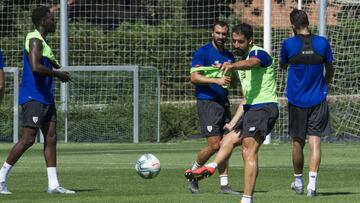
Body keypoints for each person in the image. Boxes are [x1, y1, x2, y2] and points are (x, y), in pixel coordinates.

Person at [185, 23, 279, 203]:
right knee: (226, 140)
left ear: (250, 41)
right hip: (250, 109)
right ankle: (211, 167)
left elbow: (252, 63)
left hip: (264, 108)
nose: (235, 45)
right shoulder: (236, 63)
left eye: (240, 42)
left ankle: (246, 199)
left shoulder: (258, 53)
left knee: (248, 150)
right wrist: (233, 122)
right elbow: (246, 99)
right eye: (234, 41)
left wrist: (232, 66)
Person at [0, 6, 74, 194]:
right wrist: (58, 74)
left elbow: (45, 63)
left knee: (51, 138)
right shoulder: (34, 39)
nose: (54, 22)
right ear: (43, 21)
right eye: (52, 19)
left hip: (46, 97)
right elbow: (35, 66)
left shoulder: (44, 43)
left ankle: (53, 185)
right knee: (28, 139)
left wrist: (56, 68)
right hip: (33, 97)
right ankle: (1, 178)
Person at [280, 9, 334, 197]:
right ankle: (312, 186)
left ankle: (298, 181)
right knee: (316, 143)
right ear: (308, 22)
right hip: (318, 99)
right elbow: (330, 69)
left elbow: (283, 65)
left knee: (297, 143)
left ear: (293, 26)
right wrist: (323, 85)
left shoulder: (288, 44)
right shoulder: (322, 43)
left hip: (296, 101)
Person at [185, 20, 240, 195]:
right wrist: (216, 80)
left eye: (224, 34)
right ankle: (192, 173)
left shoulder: (229, 56)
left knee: (226, 144)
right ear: (212, 33)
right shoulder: (203, 52)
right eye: (218, 33)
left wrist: (230, 75)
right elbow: (194, 77)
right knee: (215, 145)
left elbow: (234, 82)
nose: (221, 37)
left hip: (223, 102)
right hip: (207, 102)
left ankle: (224, 185)